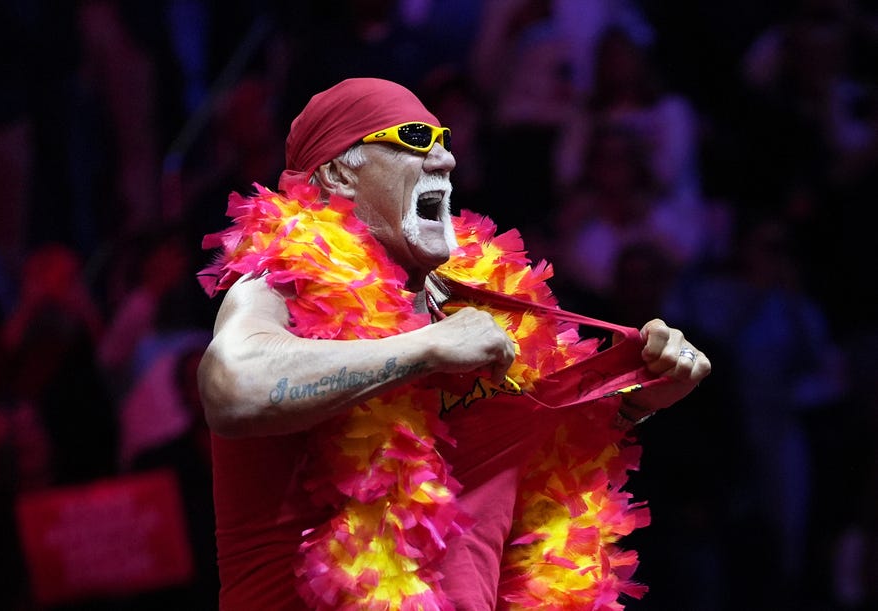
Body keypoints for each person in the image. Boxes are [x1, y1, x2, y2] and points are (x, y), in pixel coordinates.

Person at [196, 77, 711, 610]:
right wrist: (425, 349)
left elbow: (525, 465)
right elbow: (232, 386)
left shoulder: (477, 310)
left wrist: (635, 403)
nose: (444, 159)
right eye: (416, 138)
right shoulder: (282, 283)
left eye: (443, 140)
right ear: (337, 173)